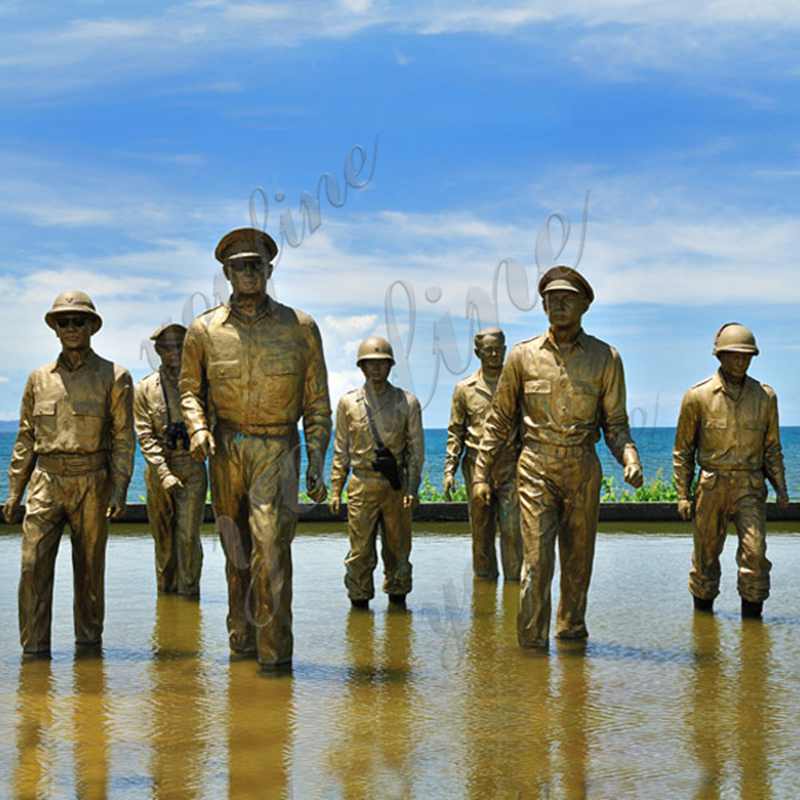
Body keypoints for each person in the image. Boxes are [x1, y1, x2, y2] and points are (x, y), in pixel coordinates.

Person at [180, 227, 331, 670]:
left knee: (271, 553)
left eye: (256, 264)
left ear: (269, 269)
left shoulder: (300, 327)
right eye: (240, 265)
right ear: (226, 272)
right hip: (225, 449)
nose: (249, 272)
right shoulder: (203, 331)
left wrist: (317, 459)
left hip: (277, 448)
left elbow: (317, 402)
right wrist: (197, 428)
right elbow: (189, 390)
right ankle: (241, 645)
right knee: (237, 556)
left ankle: (275, 658)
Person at [473, 266, 643, 649]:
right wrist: (481, 473)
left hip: (582, 467)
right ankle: (531, 648)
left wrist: (629, 458)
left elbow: (615, 424)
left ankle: (571, 640)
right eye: (551, 299)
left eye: (567, 298)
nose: (558, 305)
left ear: (584, 305)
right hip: (535, 467)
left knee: (578, 565)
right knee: (535, 564)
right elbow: (499, 421)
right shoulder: (522, 357)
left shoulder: (606, 358)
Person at [4, 291, 134, 655]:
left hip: (93, 481)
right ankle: (33, 654)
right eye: (64, 322)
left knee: (90, 573)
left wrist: (120, 488)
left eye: (79, 321)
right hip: (45, 481)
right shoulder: (37, 379)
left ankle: (89, 657)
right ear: (55, 329)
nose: (72, 327)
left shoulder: (116, 376)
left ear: (92, 326)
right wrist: (15, 491)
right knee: (31, 567)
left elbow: (124, 438)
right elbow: (25, 438)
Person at [673, 322, 789, 618]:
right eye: (735, 355)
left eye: (747, 356)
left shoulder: (765, 397)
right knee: (706, 559)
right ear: (720, 356)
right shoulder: (697, 397)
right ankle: (703, 629)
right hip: (711, 486)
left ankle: (753, 630)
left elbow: (772, 448)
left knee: (755, 554)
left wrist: (781, 488)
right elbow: (683, 451)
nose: (741, 361)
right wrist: (682, 495)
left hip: (749, 486)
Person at [329, 336, 424, 609]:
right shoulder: (349, 403)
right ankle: (359, 608)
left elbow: (415, 451)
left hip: (395, 486)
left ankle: (398, 604)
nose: (376, 369)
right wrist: (336, 488)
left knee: (398, 550)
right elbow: (341, 450)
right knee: (359, 552)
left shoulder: (407, 402)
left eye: (381, 364)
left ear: (391, 366)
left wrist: (411, 488)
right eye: (370, 364)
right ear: (361, 367)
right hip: (361, 483)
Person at [444, 326, 522, 581]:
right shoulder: (464, 389)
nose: (493, 355)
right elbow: (455, 433)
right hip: (476, 468)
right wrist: (449, 471)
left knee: (513, 530)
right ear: (478, 352)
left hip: (511, 466)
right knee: (481, 532)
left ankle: (514, 589)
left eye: (498, 350)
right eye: (488, 350)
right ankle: (485, 590)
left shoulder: (516, 385)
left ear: (505, 351)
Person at [134, 323, 207, 596]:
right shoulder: (144, 388)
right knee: (163, 539)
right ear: (158, 350)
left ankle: (189, 596)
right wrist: (163, 472)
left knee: (188, 537)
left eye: (180, 345)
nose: (174, 352)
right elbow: (144, 435)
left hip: (192, 465)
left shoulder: (202, 385)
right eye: (167, 347)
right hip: (159, 468)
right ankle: (166, 599)